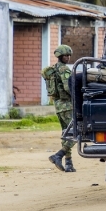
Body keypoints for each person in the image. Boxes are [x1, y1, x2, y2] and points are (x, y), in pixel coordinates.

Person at [45, 45, 77, 173]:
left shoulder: (54, 69)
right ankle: (59, 155)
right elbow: (68, 87)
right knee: (75, 132)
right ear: (60, 57)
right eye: (65, 56)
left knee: (66, 133)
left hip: (58, 106)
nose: (68, 58)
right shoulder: (64, 69)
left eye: (69, 55)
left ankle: (69, 163)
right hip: (67, 106)